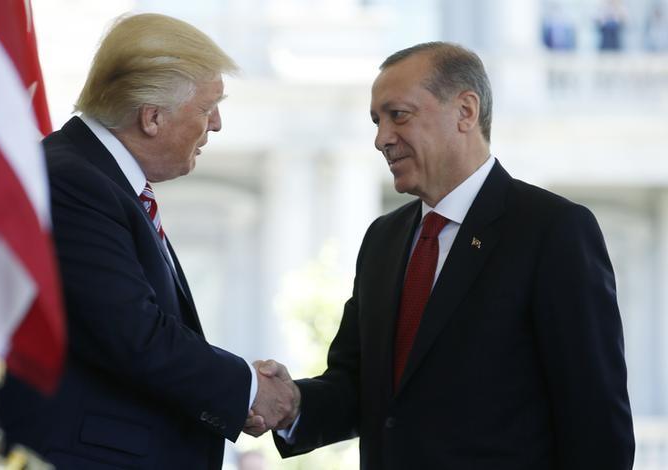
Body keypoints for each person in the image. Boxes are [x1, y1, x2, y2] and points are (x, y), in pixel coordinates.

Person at [252, 42, 635, 469]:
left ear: (465, 112)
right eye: (377, 121)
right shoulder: (383, 239)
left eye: (399, 115)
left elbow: (595, 421)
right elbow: (363, 386)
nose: (381, 139)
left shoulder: (552, 231)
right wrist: (292, 403)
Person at [0, 13, 294, 469]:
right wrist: (249, 389)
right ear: (152, 117)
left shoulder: (99, 179)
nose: (215, 124)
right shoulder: (73, 181)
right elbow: (133, 334)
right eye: (207, 107)